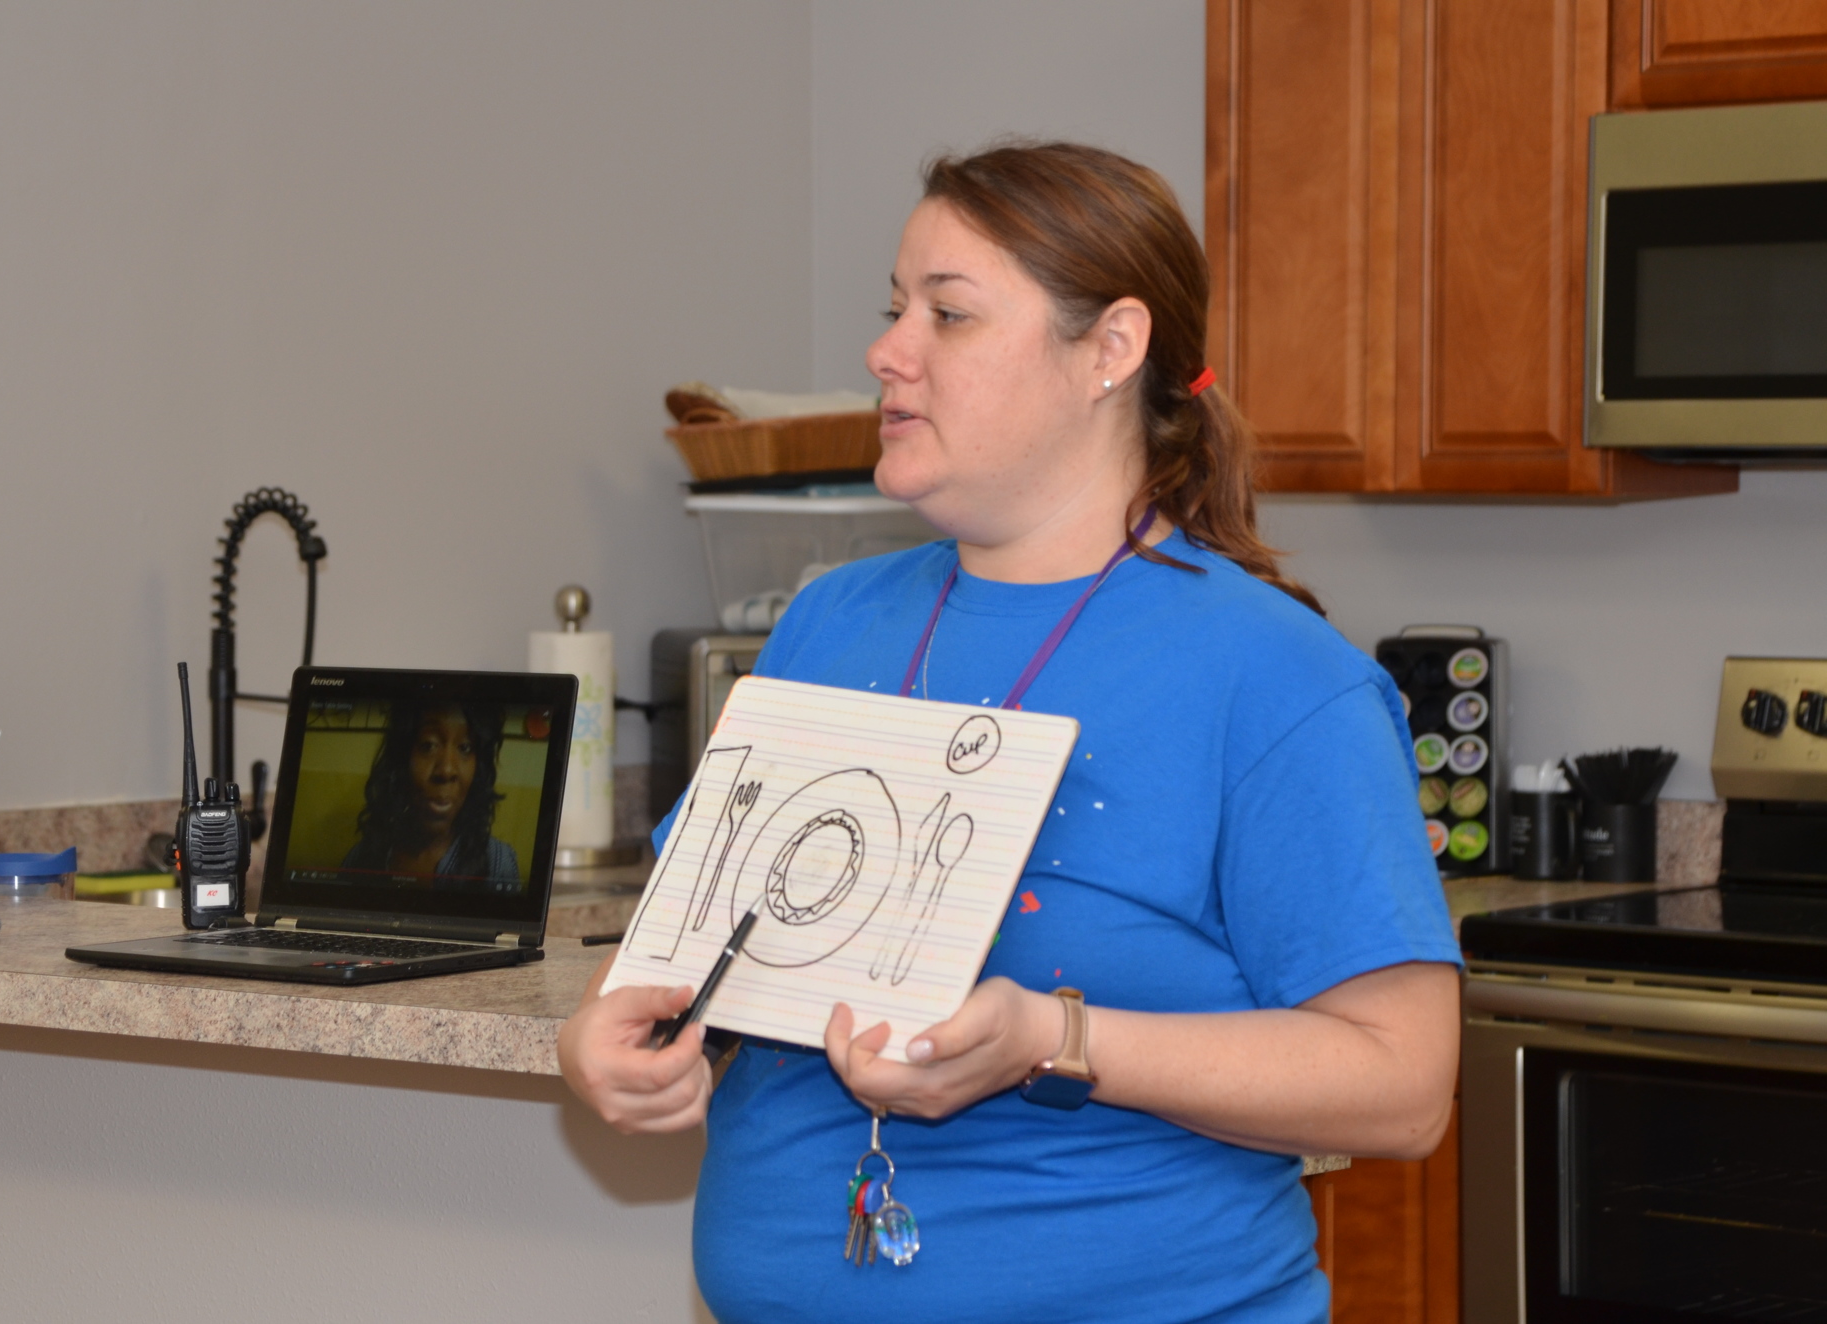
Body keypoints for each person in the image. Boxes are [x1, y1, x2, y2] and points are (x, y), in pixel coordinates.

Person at [559, 141, 1460, 1323]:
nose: (888, 351)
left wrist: (1056, 1036)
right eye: (893, 310)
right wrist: (616, 1036)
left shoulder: (1276, 677)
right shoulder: (829, 620)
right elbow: (698, 950)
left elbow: (1399, 1087)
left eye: (950, 314)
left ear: (1111, 349)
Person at [341, 701, 521, 889]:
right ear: (402, 760)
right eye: (428, 745)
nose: (446, 770)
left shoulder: (499, 863)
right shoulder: (362, 856)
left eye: (465, 747)